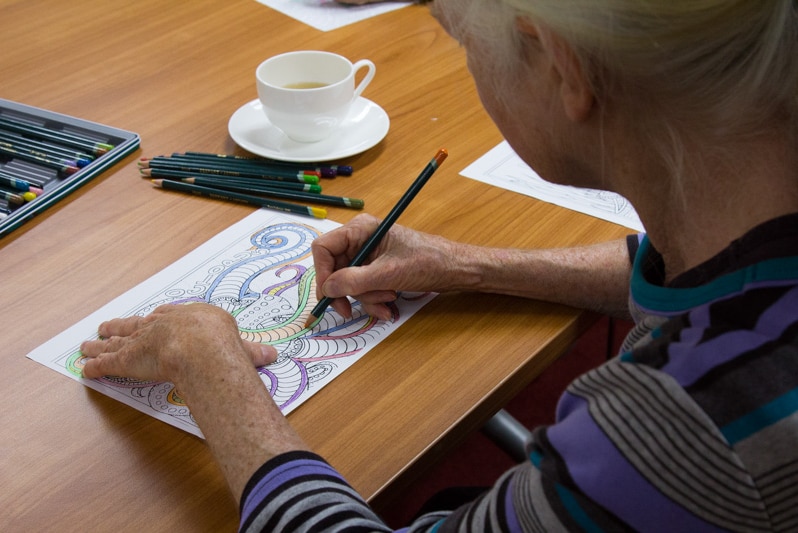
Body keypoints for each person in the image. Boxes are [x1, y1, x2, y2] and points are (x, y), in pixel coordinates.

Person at [80, 0, 798, 530]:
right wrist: (470, 264)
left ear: (559, 64)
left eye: (464, 45)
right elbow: (697, 272)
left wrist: (218, 378)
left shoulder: (688, 430)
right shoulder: (749, 227)